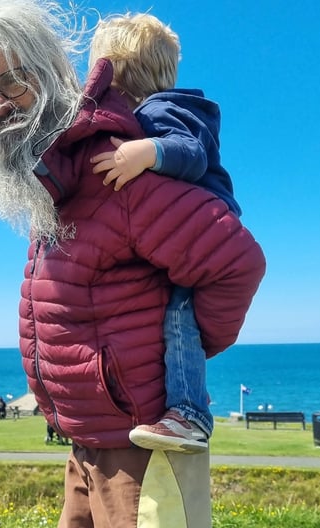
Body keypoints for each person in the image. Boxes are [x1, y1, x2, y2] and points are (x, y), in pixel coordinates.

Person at [0, 1, 265, 528]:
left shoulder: (113, 168)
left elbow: (235, 262)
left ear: (50, 74)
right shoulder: (53, 180)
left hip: (140, 443)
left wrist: (171, 355)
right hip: (84, 440)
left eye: (5, 85)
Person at [89, 12, 241, 454]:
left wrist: (145, 151)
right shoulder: (155, 110)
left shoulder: (165, 110)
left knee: (179, 317)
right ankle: (187, 395)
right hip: (189, 236)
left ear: (118, 71)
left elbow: (190, 154)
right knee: (176, 322)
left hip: (204, 238)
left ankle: (191, 413)